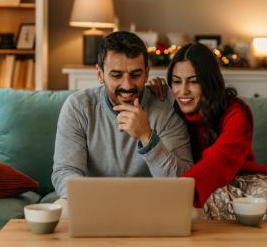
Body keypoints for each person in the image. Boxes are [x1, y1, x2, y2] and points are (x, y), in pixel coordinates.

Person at [149, 43, 267, 240]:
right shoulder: (171, 108)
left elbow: (220, 158)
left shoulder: (236, 111)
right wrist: (152, 94)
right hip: (198, 184)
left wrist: (180, 193)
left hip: (239, 179)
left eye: (193, 82)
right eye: (176, 82)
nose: (183, 91)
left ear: (209, 82)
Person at [52, 31, 193, 199]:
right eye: (116, 75)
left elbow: (182, 183)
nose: (127, 85)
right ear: (100, 74)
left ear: (146, 73)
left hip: (149, 206)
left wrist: (147, 138)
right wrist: (95, 201)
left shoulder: (165, 108)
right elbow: (65, 172)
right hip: (94, 203)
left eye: (135, 74)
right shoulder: (78, 107)